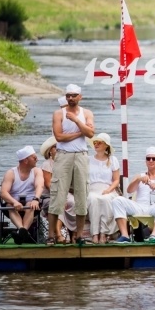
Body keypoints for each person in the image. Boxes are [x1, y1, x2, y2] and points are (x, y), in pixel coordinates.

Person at [48, 84, 94, 246]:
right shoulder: (58, 113)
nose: (71, 98)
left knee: (82, 195)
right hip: (63, 155)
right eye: (68, 95)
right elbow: (59, 137)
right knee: (58, 194)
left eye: (74, 95)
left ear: (80, 97)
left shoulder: (86, 113)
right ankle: (51, 235)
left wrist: (76, 121)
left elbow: (91, 134)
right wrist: (81, 131)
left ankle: (79, 235)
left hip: (81, 155)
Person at [112, 147, 155, 243]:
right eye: (148, 159)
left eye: (154, 158)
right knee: (117, 200)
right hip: (139, 206)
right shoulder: (140, 176)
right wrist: (138, 180)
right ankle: (125, 235)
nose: (151, 161)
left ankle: (153, 235)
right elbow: (129, 190)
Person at [0, 146, 44, 244]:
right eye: (34, 158)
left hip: (31, 205)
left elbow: (40, 185)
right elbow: (3, 192)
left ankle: (21, 232)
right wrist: (14, 202)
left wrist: (36, 198)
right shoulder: (11, 173)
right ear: (25, 160)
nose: (37, 159)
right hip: (13, 206)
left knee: (30, 205)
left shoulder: (37, 171)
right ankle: (23, 231)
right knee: (10, 206)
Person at [87, 133, 120, 244]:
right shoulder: (88, 160)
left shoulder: (113, 160)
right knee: (93, 199)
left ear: (106, 145)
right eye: (95, 142)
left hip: (108, 188)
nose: (96, 144)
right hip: (92, 189)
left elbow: (116, 180)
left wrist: (109, 190)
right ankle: (95, 234)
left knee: (106, 200)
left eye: (99, 142)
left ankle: (103, 233)